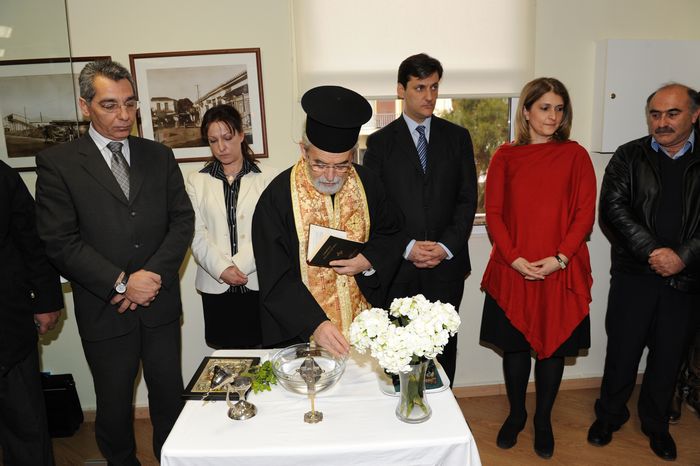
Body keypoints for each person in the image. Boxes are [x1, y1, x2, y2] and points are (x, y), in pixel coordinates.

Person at [35, 60, 194, 465]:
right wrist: (122, 282)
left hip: (158, 304)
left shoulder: (159, 155)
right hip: (105, 309)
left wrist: (151, 276)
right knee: (114, 406)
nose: (124, 115)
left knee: (168, 398)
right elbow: (59, 241)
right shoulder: (59, 163)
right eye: (110, 105)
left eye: (130, 103)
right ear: (84, 106)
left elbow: (182, 221)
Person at [480, 77, 596, 459]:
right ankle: (516, 414)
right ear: (527, 111)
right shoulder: (505, 156)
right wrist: (514, 259)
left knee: (553, 349)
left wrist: (560, 258)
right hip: (514, 268)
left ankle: (543, 420)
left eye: (559, 109)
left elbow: (584, 214)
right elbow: (494, 214)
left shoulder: (576, 156)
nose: (553, 116)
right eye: (545, 107)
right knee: (515, 348)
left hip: (560, 269)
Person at [588, 83, 700, 462]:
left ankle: (656, 424)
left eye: (672, 113)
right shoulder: (629, 155)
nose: (662, 122)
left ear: (695, 114)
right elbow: (613, 210)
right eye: (655, 114)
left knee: (669, 355)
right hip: (635, 274)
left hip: (687, 278)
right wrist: (653, 251)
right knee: (622, 350)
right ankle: (609, 416)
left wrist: (682, 256)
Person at [252, 85, 401, 356]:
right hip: (302, 334)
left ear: (352, 155)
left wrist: (369, 259)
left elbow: (392, 233)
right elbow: (275, 274)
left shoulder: (369, 184)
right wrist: (314, 323)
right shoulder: (277, 197)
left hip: (364, 325)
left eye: (342, 165)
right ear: (304, 150)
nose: (331, 176)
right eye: (319, 164)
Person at [363, 53, 477, 385]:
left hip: (447, 267)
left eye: (434, 87)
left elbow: (467, 199)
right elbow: (376, 207)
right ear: (401, 90)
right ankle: (402, 409)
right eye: (420, 87)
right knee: (399, 352)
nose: (429, 96)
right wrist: (407, 246)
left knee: (444, 349)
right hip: (399, 268)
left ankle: (442, 410)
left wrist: (445, 246)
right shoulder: (380, 143)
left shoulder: (457, 138)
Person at [186, 104, 276, 349]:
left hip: (257, 280)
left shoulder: (269, 177)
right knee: (226, 358)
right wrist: (222, 268)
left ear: (241, 135)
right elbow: (195, 232)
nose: (221, 147)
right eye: (213, 141)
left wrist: (239, 266)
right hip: (216, 283)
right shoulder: (196, 181)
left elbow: (270, 231)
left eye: (227, 138)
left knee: (264, 353)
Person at [0, 161, 63, 466]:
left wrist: (47, 301)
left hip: (8, 326)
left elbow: (32, 240)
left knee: (25, 423)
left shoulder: (2, 175)